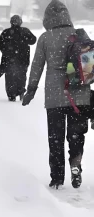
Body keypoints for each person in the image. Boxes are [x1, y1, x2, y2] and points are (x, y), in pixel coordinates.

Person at [22, 0, 91, 189]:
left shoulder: (45, 38)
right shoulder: (79, 36)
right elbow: (88, 67)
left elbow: (37, 66)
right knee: (76, 136)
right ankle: (76, 166)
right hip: (80, 96)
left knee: (56, 138)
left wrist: (31, 89)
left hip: (55, 97)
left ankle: (57, 178)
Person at [0, 15, 37, 102]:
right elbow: (33, 40)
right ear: (20, 22)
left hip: (9, 60)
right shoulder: (25, 31)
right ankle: (21, 91)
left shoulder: (6, 32)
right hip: (23, 59)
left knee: (10, 77)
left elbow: (0, 44)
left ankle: (11, 95)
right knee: (21, 76)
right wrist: (25, 40)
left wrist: (6, 51)